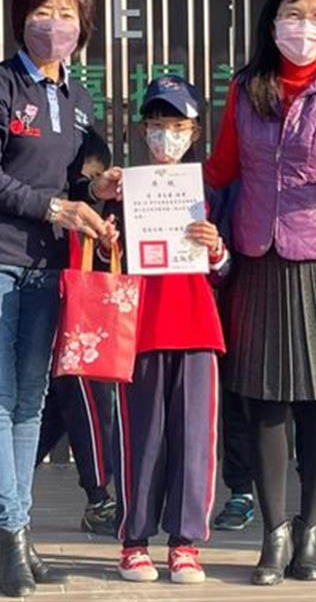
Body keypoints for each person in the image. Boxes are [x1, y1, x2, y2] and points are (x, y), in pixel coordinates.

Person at [0, 0, 121, 598]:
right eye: (45, 13)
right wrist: (57, 207)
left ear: (84, 28)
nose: (57, 26)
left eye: (70, 16)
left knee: (29, 398)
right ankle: (16, 532)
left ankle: (7, 538)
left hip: (47, 262)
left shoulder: (77, 101)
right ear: (23, 17)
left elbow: (69, 183)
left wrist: (93, 191)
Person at [204, 0, 316, 586]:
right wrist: (161, 186)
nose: (303, 27)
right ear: (272, 19)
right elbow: (222, 167)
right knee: (264, 399)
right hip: (258, 251)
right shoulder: (246, 89)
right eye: (292, 13)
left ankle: (309, 534)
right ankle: (273, 534)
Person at [0, 130, 118, 536]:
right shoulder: (58, 213)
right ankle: (99, 498)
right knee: (76, 398)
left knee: (44, 407)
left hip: (66, 315)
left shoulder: (89, 212)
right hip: (65, 318)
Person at [103, 75, 229, 585]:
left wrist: (215, 246)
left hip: (198, 326)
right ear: (141, 130)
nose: (165, 135)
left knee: (195, 438)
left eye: (176, 126)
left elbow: (227, 267)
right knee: (143, 438)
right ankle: (134, 541)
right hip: (140, 330)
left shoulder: (211, 189)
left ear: (194, 132)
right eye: (156, 125)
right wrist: (109, 229)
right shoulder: (123, 189)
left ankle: (185, 544)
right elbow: (101, 260)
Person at [208, 183, 316, 533]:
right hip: (246, 251)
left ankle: (315, 495)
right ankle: (241, 490)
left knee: (312, 386)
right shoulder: (240, 137)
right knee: (245, 390)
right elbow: (222, 172)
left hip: (305, 249)